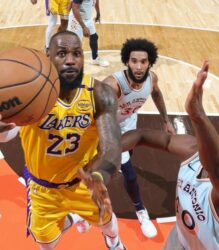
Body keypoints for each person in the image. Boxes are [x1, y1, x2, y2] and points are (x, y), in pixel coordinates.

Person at [0, 31, 125, 250]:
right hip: (43, 189)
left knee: (108, 222)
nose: (70, 60)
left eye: (77, 53)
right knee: (48, 244)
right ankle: (76, 218)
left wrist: (99, 176)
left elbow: (112, 146)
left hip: (84, 183)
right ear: (48, 55)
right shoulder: (31, 95)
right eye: (62, 53)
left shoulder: (99, 93)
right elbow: (8, 134)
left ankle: (114, 243)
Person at [120, 60, 219, 249]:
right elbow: (142, 135)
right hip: (179, 239)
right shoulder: (194, 150)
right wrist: (106, 152)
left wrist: (198, 115)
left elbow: (217, 170)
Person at [103, 38, 176, 238]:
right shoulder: (113, 84)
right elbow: (96, 112)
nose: (138, 66)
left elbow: (157, 94)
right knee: (129, 175)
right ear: (127, 61)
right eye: (134, 61)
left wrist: (166, 120)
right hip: (107, 127)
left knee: (128, 156)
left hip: (128, 122)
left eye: (143, 61)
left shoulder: (152, 79)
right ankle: (140, 210)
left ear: (149, 63)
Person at [68, 0, 109, 67]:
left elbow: (96, 1)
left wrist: (98, 13)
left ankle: (95, 58)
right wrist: (84, 27)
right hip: (75, 20)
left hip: (88, 19)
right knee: (75, 44)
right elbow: (75, 9)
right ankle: (70, 64)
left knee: (94, 37)